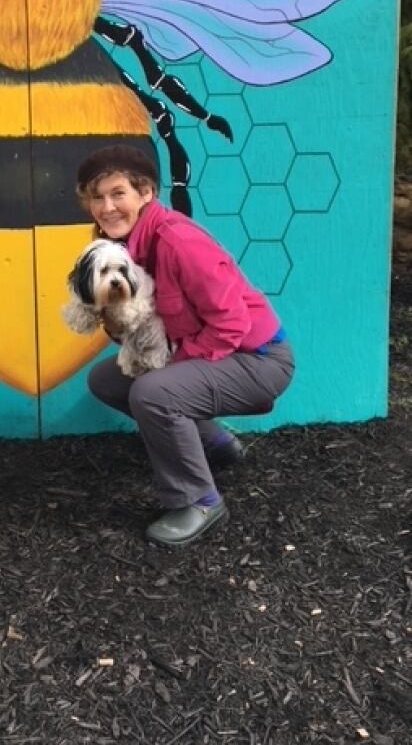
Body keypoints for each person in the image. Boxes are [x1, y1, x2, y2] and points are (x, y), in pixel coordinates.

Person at [75, 143, 294, 547]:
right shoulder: (121, 249)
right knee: (107, 379)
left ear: (146, 193)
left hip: (258, 358)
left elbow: (231, 324)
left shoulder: (178, 241)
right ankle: (215, 444)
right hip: (220, 355)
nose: (107, 207)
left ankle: (199, 500)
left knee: (153, 391)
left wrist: (169, 366)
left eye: (118, 193)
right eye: (97, 197)